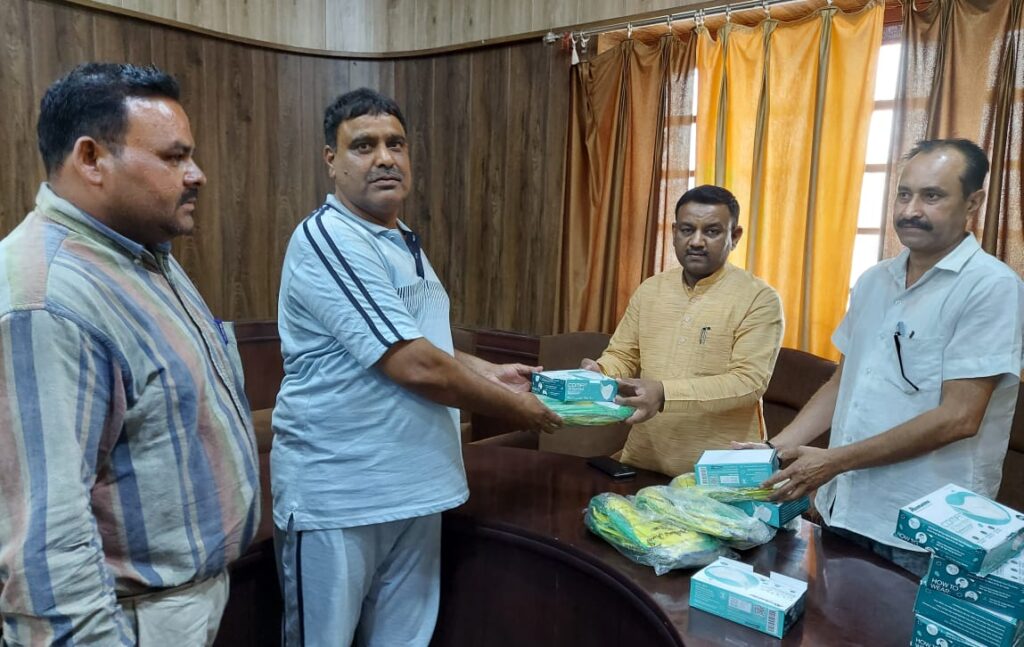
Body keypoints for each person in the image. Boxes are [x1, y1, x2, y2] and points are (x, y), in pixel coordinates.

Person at [272, 87, 561, 647]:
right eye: (363, 146)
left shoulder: (403, 239)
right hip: (342, 495)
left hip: (415, 488)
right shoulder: (329, 237)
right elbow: (413, 364)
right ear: (331, 160)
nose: (384, 158)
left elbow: (420, 342)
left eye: (396, 144)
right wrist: (520, 409)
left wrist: (489, 372)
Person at [0, 63, 259, 645]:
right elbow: (46, 550)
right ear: (91, 159)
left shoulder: (140, 254)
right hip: (130, 621)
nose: (197, 174)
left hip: (183, 602)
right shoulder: (47, 300)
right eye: (174, 157)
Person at [736, 138, 1024, 577]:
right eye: (904, 194)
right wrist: (775, 448)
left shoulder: (991, 287)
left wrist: (833, 461)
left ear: (973, 202)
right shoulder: (874, 281)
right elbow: (842, 382)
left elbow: (960, 417)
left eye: (932, 196)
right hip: (844, 508)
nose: (910, 210)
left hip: (924, 530)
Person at [583, 185, 784, 476]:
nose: (697, 241)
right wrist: (600, 371)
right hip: (643, 462)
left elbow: (748, 383)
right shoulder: (651, 289)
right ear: (675, 232)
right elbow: (623, 355)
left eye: (712, 231)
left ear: (735, 236)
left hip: (721, 474)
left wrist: (664, 393)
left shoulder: (759, 298)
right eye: (687, 230)